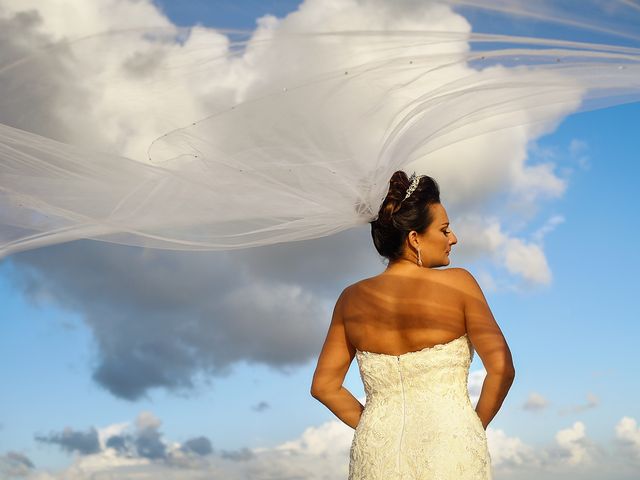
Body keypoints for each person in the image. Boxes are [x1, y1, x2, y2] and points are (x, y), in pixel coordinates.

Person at [310, 170, 515, 479]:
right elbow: (502, 369)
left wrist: (375, 425)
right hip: (451, 449)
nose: (453, 238)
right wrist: (471, 428)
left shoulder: (349, 299)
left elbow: (324, 387)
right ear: (414, 238)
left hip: (377, 455)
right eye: (445, 230)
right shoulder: (460, 283)